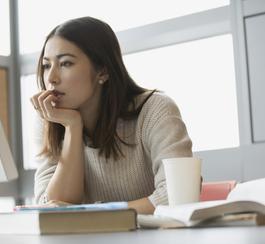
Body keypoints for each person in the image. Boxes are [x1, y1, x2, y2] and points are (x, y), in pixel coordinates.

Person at [31, 16, 192, 214]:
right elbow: (53, 207)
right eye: (47, 65)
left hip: (155, 240)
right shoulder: (52, 119)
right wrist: (73, 127)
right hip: (85, 243)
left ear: (103, 72)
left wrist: (94, 214)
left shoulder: (155, 110)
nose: (51, 78)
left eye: (65, 64)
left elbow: (176, 196)